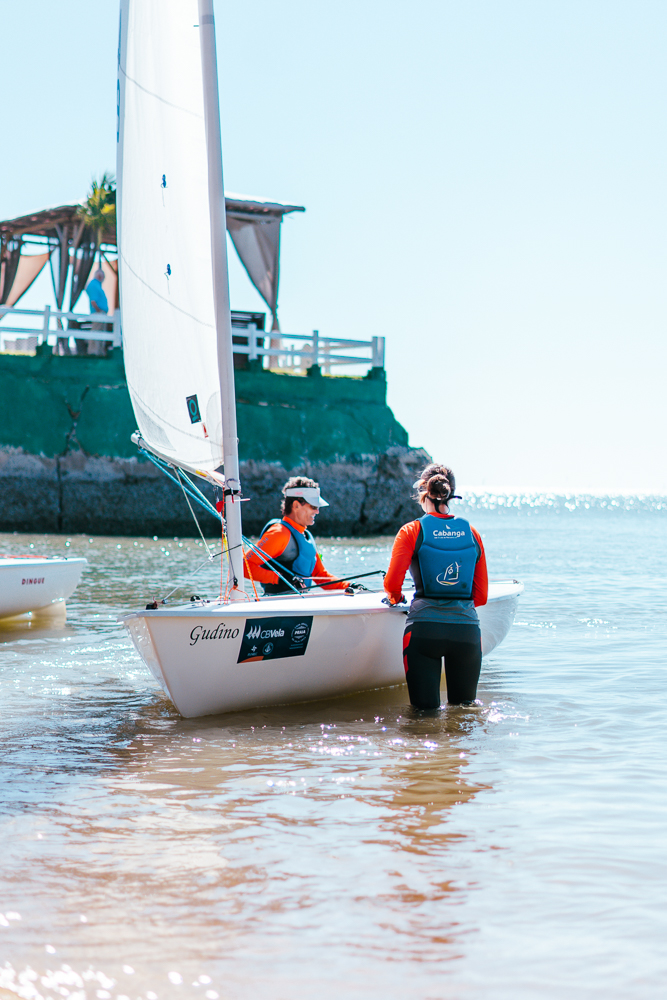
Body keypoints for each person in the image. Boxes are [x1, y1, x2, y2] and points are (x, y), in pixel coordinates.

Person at [383, 463, 488, 709]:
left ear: (423, 491)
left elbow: (392, 585)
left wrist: (395, 598)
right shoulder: (472, 533)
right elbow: (481, 595)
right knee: (464, 715)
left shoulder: (411, 530)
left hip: (424, 632)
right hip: (467, 635)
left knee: (423, 719)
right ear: (451, 493)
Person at [245, 477, 351, 595]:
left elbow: (320, 576)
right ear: (296, 505)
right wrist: (278, 579)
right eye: (313, 507)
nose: (317, 511)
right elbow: (244, 565)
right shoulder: (279, 533)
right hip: (277, 605)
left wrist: (348, 586)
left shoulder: (306, 535)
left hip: (300, 603)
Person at [83, 268, 110, 356]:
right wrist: (98, 310)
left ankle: (99, 351)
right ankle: (94, 351)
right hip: (98, 313)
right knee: (96, 332)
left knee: (101, 332)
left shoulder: (97, 285)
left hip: (101, 313)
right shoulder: (93, 285)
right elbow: (93, 301)